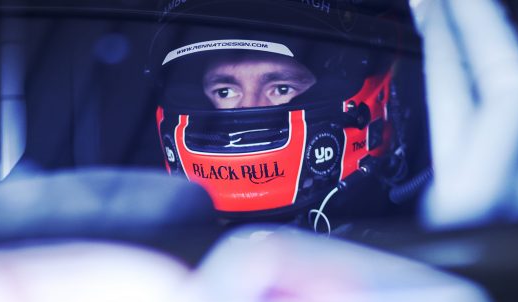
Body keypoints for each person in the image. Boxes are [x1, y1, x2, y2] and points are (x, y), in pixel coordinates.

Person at [147, 0, 430, 235]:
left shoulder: (430, 216)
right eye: (225, 92)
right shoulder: (161, 249)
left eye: (281, 89)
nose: (248, 108)